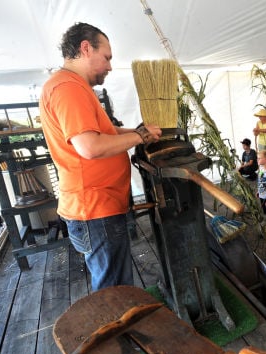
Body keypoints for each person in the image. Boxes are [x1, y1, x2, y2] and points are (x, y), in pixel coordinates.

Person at [39, 22, 162, 291]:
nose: (109, 66)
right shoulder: (67, 88)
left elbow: (105, 131)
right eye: (106, 57)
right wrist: (140, 137)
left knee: (113, 286)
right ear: (85, 48)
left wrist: (138, 131)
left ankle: (117, 329)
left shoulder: (74, 87)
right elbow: (90, 147)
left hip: (98, 207)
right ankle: (114, 333)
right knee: (112, 291)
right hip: (95, 209)